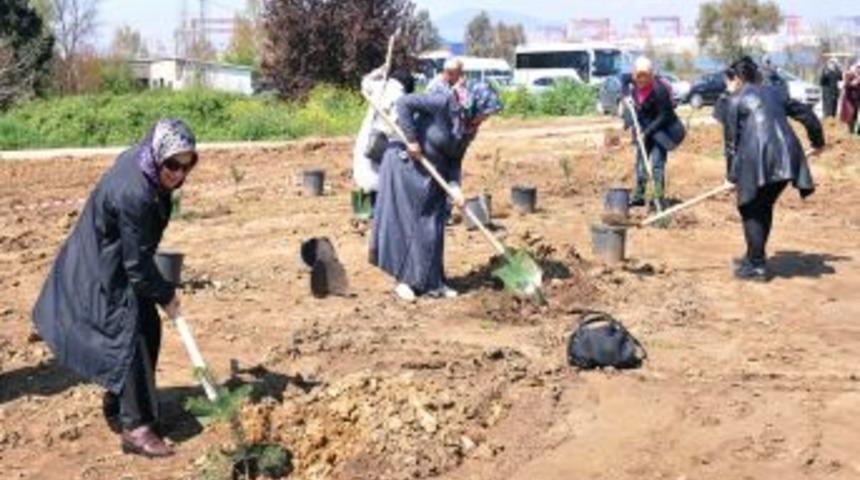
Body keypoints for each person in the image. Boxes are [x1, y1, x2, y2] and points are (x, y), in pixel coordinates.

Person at [32, 119, 199, 458]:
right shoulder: (135, 193)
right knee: (130, 334)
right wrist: (166, 294)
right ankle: (135, 428)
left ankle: (119, 399)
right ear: (157, 156)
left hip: (115, 257)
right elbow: (137, 265)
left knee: (147, 327)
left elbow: (138, 255)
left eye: (188, 165)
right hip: (101, 266)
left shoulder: (144, 165)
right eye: (173, 165)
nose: (179, 174)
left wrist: (158, 292)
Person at [371, 82, 503, 302]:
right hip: (405, 167)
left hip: (433, 174)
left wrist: (455, 186)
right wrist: (412, 140)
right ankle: (405, 282)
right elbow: (404, 103)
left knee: (433, 226)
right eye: (486, 112)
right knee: (407, 225)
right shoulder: (443, 102)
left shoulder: (468, 127)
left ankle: (433, 283)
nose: (486, 118)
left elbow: (455, 159)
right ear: (475, 104)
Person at [720, 57, 824, 282]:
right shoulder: (775, 92)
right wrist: (818, 142)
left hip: (760, 160)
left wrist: (731, 177)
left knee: (750, 208)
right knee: (763, 206)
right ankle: (753, 257)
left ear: (736, 78)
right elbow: (807, 114)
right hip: (788, 159)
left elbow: (731, 145)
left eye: (728, 80)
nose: (727, 85)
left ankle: (757, 265)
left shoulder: (734, 100)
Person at [621, 57, 685, 210]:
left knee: (657, 165)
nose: (641, 80)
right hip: (643, 127)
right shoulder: (633, 79)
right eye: (638, 76)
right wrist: (626, 96)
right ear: (634, 74)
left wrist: (647, 132)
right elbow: (622, 79)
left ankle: (658, 199)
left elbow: (665, 116)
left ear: (651, 75)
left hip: (661, 131)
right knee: (640, 164)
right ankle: (639, 197)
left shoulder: (660, 90)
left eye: (645, 76)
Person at [353, 65, 416, 209]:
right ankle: (373, 210)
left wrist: (379, 71)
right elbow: (396, 125)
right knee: (377, 178)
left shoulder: (380, 87)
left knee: (365, 175)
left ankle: (364, 209)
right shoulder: (399, 98)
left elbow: (365, 83)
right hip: (381, 141)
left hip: (366, 136)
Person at [840, 62, 860, 135]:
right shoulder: (850, 75)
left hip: (857, 99)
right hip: (850, 99)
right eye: (858, 68)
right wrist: (853, 83)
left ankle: (857, 132)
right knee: (851, 115)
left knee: (856, 115)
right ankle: (851, 131)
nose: (859, 70)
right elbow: (845, 85)